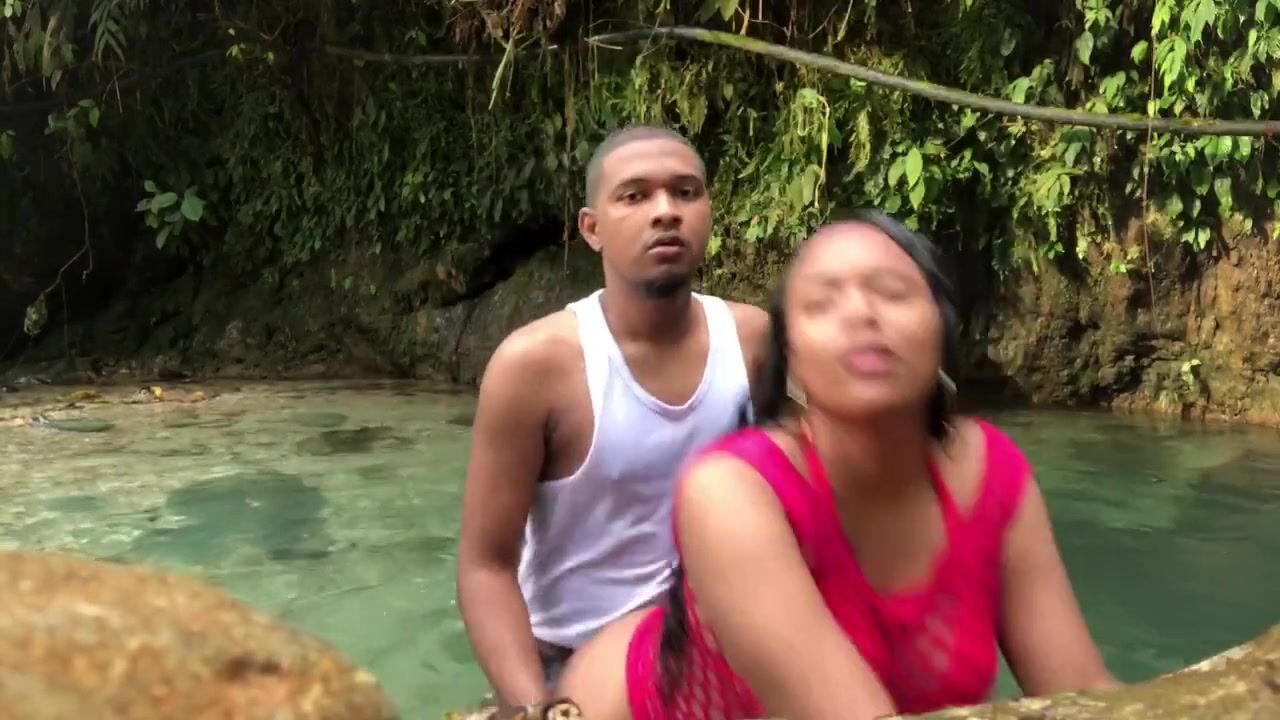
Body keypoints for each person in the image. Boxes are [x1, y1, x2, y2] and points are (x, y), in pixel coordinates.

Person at [554, 210, 1120, 720]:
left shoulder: (992, 471)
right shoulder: (731, 490)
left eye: (892, 293)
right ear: (792, 363)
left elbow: (1083, 693)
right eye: (822, 303)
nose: (860, 314)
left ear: (941, 334)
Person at [455, 125, 770, 709]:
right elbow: (485, 566)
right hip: (569, 664)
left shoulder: (753, 340)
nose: (666, 211)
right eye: (634, 195)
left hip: (716, 650)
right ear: (591, 229)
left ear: (708, 211)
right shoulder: (536, 365)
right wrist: (540, 709)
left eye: (685, 192)